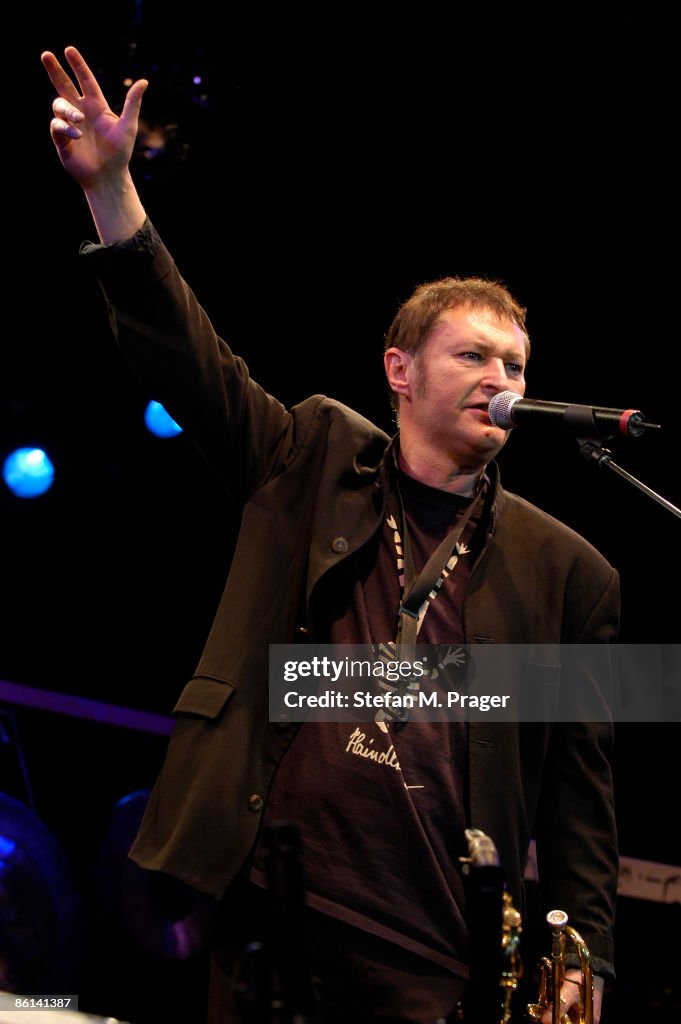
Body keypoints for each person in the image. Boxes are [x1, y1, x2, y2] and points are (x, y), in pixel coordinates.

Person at [41, 45, 619, 1024]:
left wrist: (588, 965)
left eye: (516, 362)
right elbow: (191, 362)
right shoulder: (313, 454)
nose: (502, 378)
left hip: (434, 963)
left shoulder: (570, 570)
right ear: (399, 370)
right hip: (274, 921)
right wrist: (112, 194)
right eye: (473, 353)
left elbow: (580, 798)